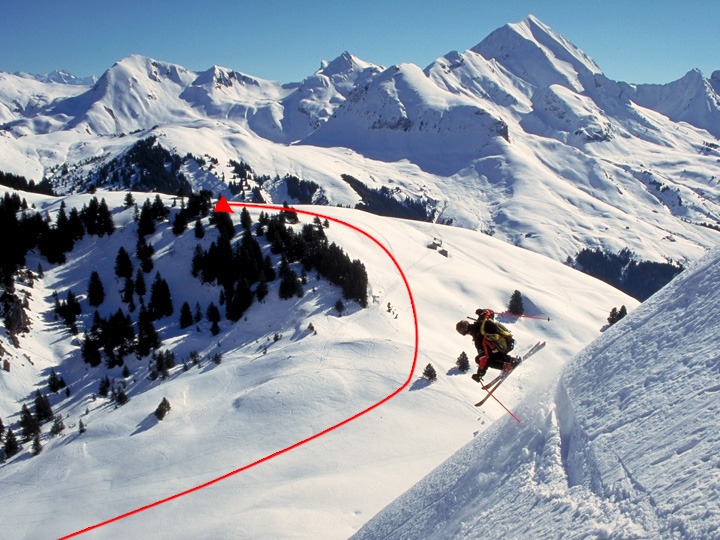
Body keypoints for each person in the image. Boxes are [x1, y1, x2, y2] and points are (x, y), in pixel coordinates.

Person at [456, 308, 518, 383]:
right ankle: (511, 360)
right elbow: (490, 312)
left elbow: (484, 358)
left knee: (478, 359)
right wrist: (481, 312)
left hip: (504, 347)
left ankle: (506, 367)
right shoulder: (481, 321)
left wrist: (480, 374)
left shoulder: (478, 338)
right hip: (508, 340)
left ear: (465, 333)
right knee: (490, 351)